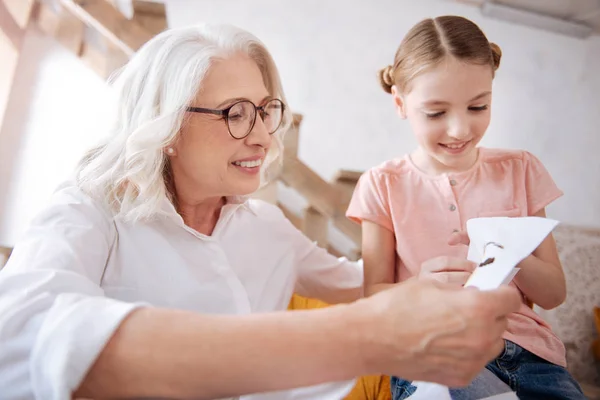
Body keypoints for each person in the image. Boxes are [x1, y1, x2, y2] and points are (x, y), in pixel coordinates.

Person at [0, 23, 521, 400]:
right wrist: (367, 337)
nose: (264, 135)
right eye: (235, 113)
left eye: (267, 110)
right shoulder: (91, 211)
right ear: (166, 127)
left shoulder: (267, 226)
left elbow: (354, 279)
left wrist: (428, 270)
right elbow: (19, 341)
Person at [346, 15, 586, 400]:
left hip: (531, 356)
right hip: (433, 351)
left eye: (478, 107)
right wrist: (419, 286)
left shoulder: (520, 169)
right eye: (437, 113)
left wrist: (508, 254)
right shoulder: (382, 184)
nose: (460, 130)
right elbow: (372, 297)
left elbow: (555, 293)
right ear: (400, 103)